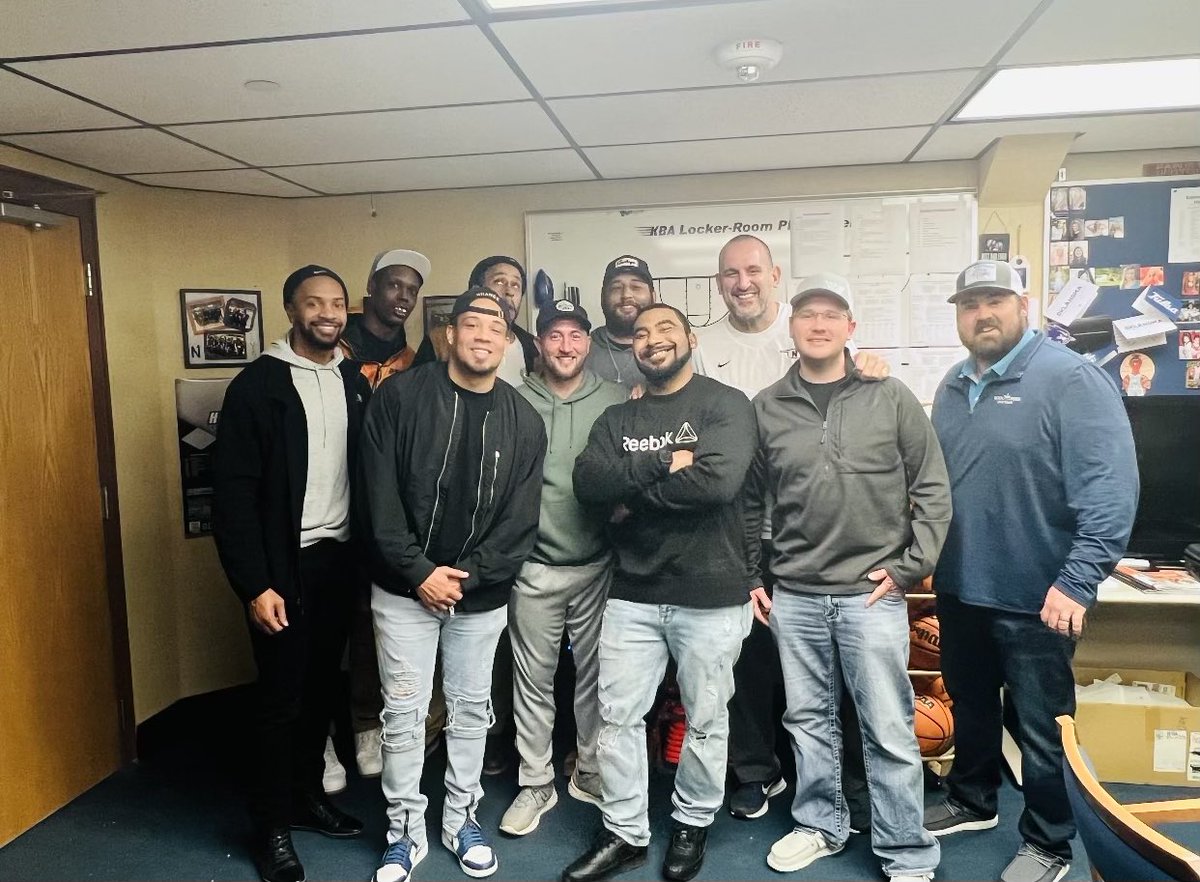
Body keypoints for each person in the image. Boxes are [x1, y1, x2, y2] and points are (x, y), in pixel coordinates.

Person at [926, 260, 1139, 882]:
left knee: (1044, 729)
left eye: (994, 300)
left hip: (1038, 596)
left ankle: (1050, 841)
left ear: (1025, 303)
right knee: (970, 706)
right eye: (969, 304)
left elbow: (1111, 489)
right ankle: (973, 799)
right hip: (962, 585)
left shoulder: (1070, 378)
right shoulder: (951, 383)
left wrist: (1077, 581)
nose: (981, 314)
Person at [745, 273, 947, 881]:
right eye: (808, 314)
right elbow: (753, 501)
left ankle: (906, 850)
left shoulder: (890, 396)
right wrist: (755, 573)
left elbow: (932, 488)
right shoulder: (767, 406)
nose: (819, 324)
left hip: (871, 594)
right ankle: (821, 824)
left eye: (832, 315)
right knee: (807, 721)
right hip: (797, 593)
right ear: (793, 326)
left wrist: (912, 566)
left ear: (851, 328)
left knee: (887, 726)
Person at [693, 234, 886, 825]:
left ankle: (844, 779)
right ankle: (755, 771)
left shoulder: (808, 329)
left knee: (832, 662)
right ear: (719, 281)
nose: (742, 282)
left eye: (753, 270)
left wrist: (871, 363)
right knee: (747, 657)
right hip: (736, 529)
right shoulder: (703, 344)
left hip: (816, 529)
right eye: (730, 273)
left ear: (775, 275)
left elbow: (852, 389)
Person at [562, 303, 756, 882]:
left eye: (666, 328)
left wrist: (631, 497)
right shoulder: (617, 420)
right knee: (617, 716)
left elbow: (717, 484)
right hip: (632, 593)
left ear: (691, 338)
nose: (653, 340)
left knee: (705, 718)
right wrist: (668, 464)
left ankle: (692, 824)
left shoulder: (725, 404)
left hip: (712, 592)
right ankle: (624, 832)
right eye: (642, 334)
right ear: (633, 350)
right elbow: (589, 485)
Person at [359, 287, 547, 882]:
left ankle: (461, 819)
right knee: (405, 714)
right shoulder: (400, 396)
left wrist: (463, 580)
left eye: (497, 326)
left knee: (471, 711)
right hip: (402, 591)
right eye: (473, 323)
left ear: (509, 342)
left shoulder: (523, 418)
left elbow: (520, 520)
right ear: (449, 334)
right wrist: (419, 573)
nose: (484, 334)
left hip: (479, 597)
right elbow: (376, 500)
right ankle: (404, 829)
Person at [212, 265, 371, 882]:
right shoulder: (259, 387)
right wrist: (255, 585)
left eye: (336, 303)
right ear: (290, 310)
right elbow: (233, 496)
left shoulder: (353, 380)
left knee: (321, 692)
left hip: (340, 561)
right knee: (279, 701)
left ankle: (307, 799)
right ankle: (270, 827)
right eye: (314, 303)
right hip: (283, 569)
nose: (327, 313)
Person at [500, 300, 628, 837]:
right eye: (555, 335)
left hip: (599, 563)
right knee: (533, 679)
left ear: (589, 344)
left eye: (576, 335)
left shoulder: (620, 399)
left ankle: (591, 771)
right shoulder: (510, 400)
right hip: (533, 566)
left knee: (599, 681)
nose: (566, 345)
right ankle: (536, 782)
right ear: (538, 343)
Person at [332, 248, 431, 783]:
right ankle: (323, 741)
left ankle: (367, 725)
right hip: (327, 505)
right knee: (325, 627)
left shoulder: (415, 360)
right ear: (369, 288)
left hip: (385, 508)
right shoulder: (333, 345)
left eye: (412, 291)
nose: (404, 298)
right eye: (395, 286)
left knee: (373, 624)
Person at [414, 256, 538, 387]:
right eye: (499, 282)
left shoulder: (531, 347)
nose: (509, 291)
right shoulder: (439, 340)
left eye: (516, 285)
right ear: (476, 289)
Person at [584, 255, 656, 389]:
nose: (626, 295)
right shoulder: (580, 349)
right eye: (616, 288)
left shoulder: (676, 346)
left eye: (636, 287)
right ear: (602, 297)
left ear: (653, 295)